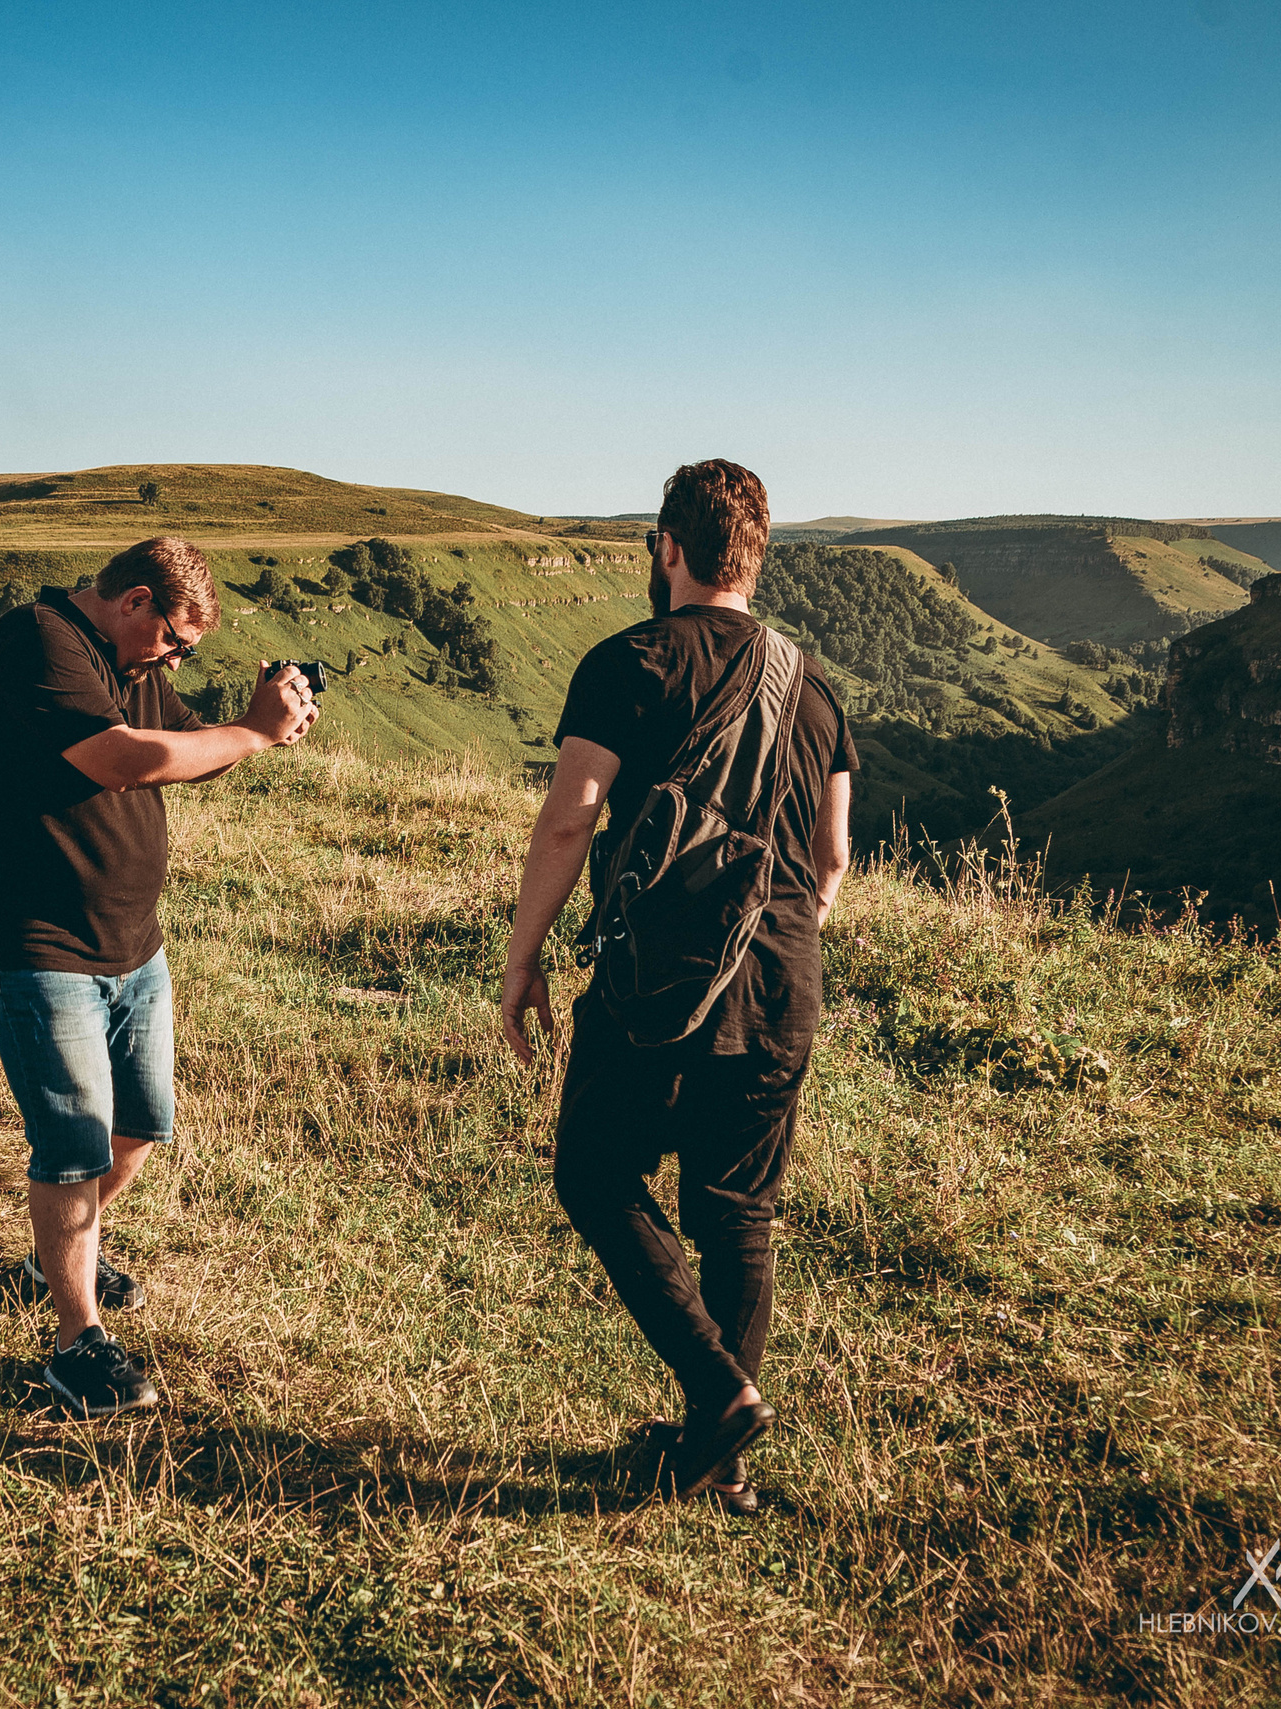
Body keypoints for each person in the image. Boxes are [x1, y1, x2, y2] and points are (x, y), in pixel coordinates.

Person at [499, 460, 855, 1513]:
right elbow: (833, 856)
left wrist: (525, 955)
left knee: (595, 1173)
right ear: (754, 555)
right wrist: (782, 933)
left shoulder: (628, 662)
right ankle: (721, 1461)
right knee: (738, 1208)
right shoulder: (815, 681)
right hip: (785, 976)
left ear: (666, 548)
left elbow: (571, 815)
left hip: (660, 973)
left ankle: (717, 1389)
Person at [0, 536, 318, 1419]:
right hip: (42, 943)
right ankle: (76, 1345)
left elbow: (183, 744)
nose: (173, 660)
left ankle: (59, 1252)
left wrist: (263, 723)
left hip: (133, 945)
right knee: (75, 1143)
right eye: (174, 642)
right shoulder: (37, 641)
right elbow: (122, 758)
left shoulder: (132, 657)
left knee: (140, 1129)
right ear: (136, 601)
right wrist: (253, 732)